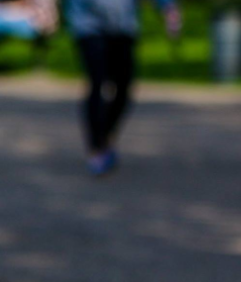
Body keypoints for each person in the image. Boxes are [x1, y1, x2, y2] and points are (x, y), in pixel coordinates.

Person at [67, 0, 182, 176]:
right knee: (97, 82)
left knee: (124, 87)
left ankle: (105, 136)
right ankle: (97, 148)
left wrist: (168, 8)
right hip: (88, 24)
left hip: (123, 25)